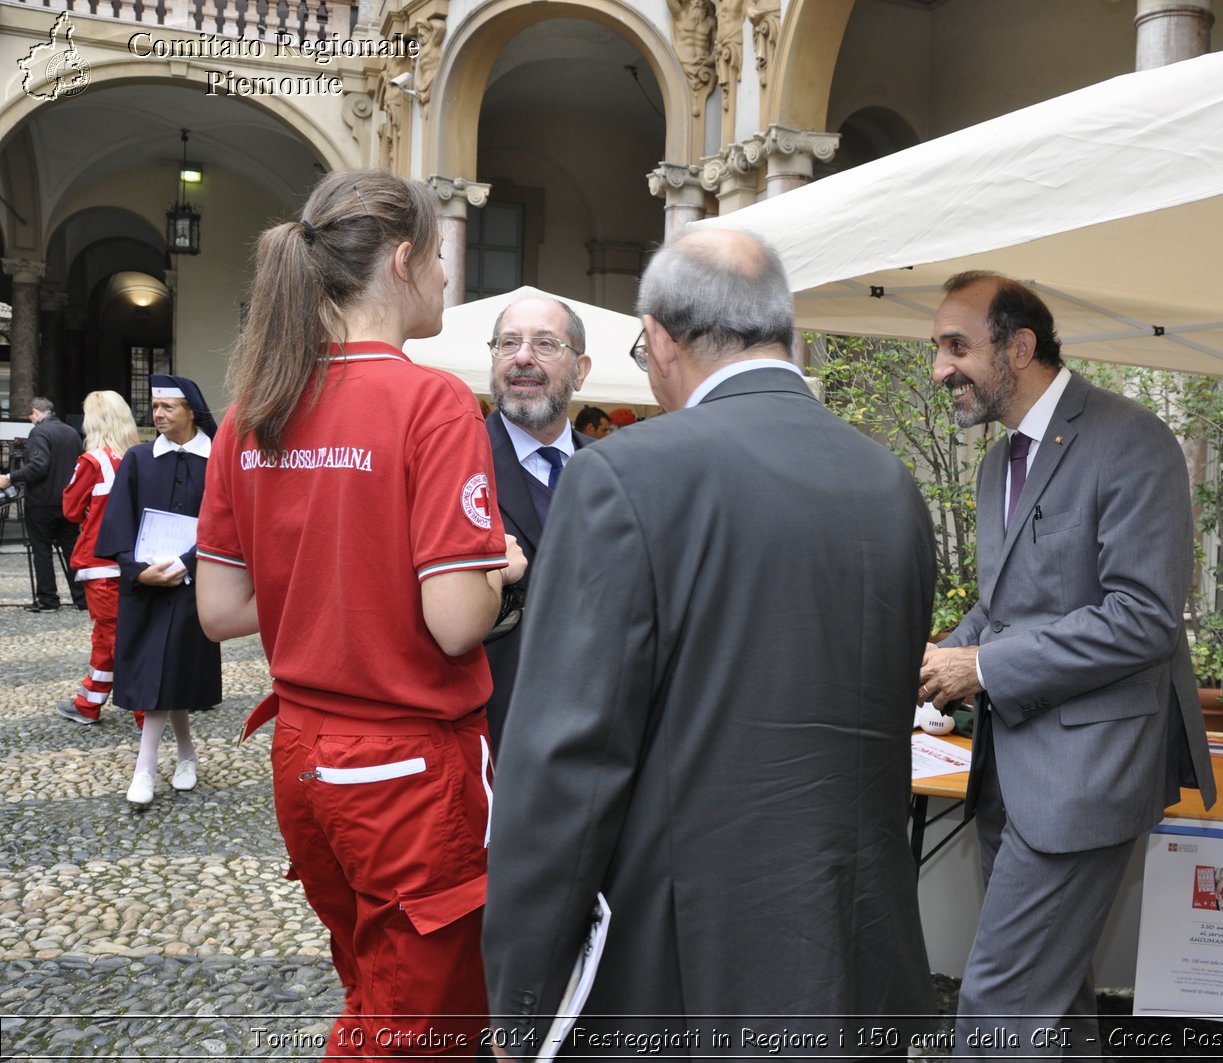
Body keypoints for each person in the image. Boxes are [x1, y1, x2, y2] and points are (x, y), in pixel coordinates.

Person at [483, 229, 937, 1057]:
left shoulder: (623, 475)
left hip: (684, 973)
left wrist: (520, 996)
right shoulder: (891, 484)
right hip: (859, 956)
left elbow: (564, 768)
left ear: (659, 336)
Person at [195, 169, 526, 1058]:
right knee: (419, 1028)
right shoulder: (432, 400)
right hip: (408, 765)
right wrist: (501, 566)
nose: (450, 279)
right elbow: (457, 620)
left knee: (377, 986)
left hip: (304, 755)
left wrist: (342, 568)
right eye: (443, 256)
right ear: (405, 259)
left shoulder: (249, 410)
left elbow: (221, 608)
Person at [919, 271, 1216, 1057]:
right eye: (938, 348)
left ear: (1020, 347)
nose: (940, 368)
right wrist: (938, 655)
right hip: (1007, 775)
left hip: (1086, 776)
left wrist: (980, 668)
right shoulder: (995, 466)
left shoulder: (1131, 439)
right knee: (1053, 1003)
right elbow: (1006, 607)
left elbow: (1143, 618)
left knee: (1000, 1009)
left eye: (957, 346)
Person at [96, 375, 222, 805]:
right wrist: (135, 570)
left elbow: (225, 523)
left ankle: (147, 767)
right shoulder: (137, 459)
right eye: (154, 407)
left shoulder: (217, 460)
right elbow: (118, 522)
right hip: (145, 587)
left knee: (169, 669)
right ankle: (180, 755)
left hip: (194, 583)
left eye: (167, 407)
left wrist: (185, 564)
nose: (158, 414)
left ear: (191, 410)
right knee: (161, 671)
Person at [483, 295, 597, 753]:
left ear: (581, 369)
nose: (522, 357)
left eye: (545, 344)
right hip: (493, 736)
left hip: (598, 736)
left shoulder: (618, 470)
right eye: (508, 344)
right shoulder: (452, 463)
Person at [56, 391, 142, 727]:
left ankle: (143, 710)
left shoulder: (92, 462)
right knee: (108, 635)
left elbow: (71, 510)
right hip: (135, 561)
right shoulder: (139, 456)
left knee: (117, 637)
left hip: (100, 562)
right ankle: (88, 703)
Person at [0, 396, 86, 612]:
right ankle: (83, 598)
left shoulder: (39, 432)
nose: (31, 419)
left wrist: (11, 476)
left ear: (36, 412)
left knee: (42, 550)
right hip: (68, 501)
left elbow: (38, 466)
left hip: (42, 502)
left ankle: (48, 600)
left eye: (31, 415)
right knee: (71, 550)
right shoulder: (71, 432)